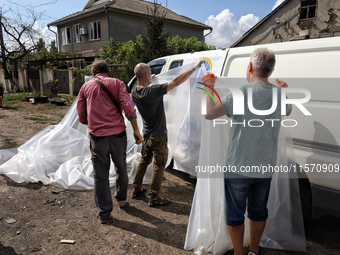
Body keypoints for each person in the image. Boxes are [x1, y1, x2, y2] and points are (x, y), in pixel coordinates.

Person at [204, 48, 292, 255]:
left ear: (250, 67)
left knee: (235, 215)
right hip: (265, 167)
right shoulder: (279, 95)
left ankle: (238, 253)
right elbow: (288, 110)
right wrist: (284, 90)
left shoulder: (240, 92)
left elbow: (209, 114)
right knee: (259, 212)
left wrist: (208, 88)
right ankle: (253, 250)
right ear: (271, 71)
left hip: (239, 167)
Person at [131, 59, 205, 207]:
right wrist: (194, 68)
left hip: (147, 134)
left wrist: (152, 82)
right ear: (146, 75)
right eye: (150, 74)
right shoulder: (153, 91)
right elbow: (177, 81)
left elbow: (146, 87)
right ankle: (154, 197)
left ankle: (136, 189)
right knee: (159, 165)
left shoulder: (134, 91)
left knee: (144, 160)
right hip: (158, 136)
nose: (152, 76)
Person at [77, 60, 142, 224]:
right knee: (121, 166)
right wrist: (135, 129)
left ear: (93, 73)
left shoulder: (85, 88)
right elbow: (128, 107)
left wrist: (95, 123)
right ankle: (121, 200)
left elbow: (82, 116)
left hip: (98, 138)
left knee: (101, 176)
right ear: (108, 71)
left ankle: (104, 214)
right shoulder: (118, 84)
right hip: (119, 135)